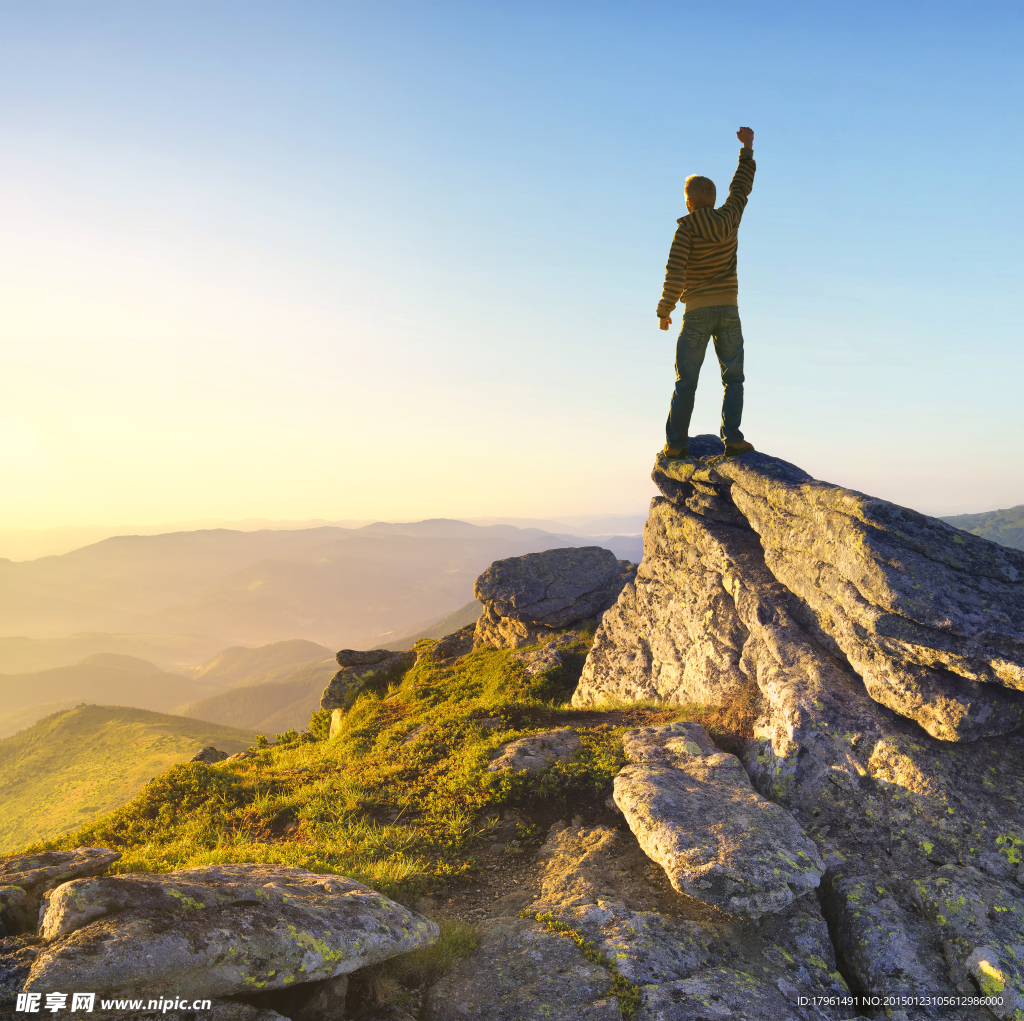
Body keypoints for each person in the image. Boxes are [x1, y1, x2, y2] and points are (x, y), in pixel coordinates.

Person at [657, 127, 757, 459]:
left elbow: (676, 272)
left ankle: (675, 444)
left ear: (689, 202)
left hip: (696, 313)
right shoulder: (729, 218)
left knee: (686, 382)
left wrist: (664, 309)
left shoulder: (685, 230)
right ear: (713, 200)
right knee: (734, 378)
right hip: (728, 311)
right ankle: (732, 438)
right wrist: (746, 149)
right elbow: (741, 188)